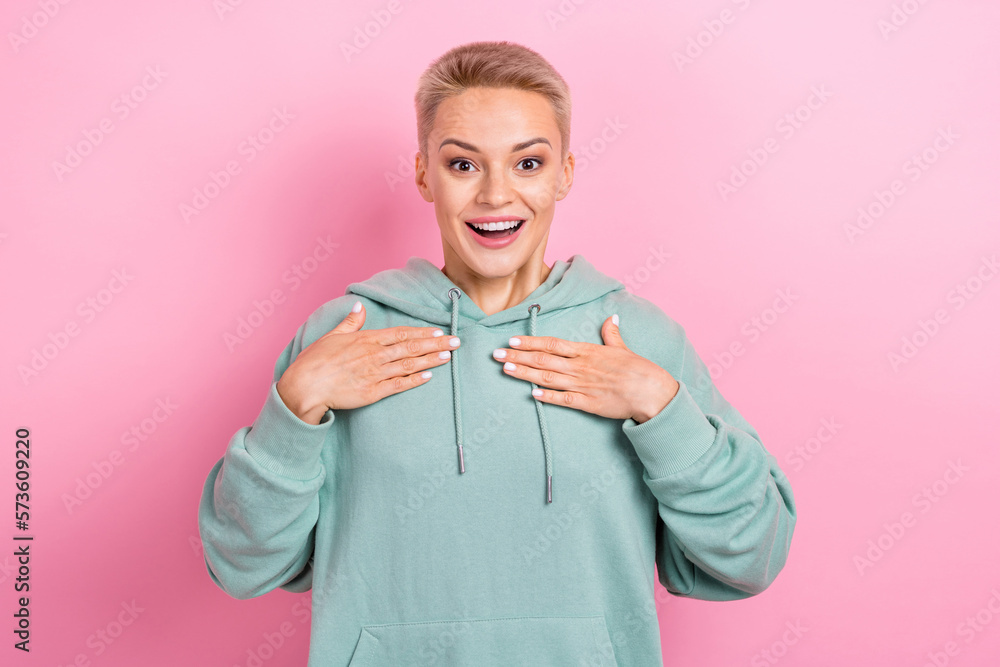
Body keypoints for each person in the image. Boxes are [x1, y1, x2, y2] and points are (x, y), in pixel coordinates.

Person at [198, 40, 797, 666]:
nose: (494, 195)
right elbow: (242, 565)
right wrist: (291, 410)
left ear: (565, 173)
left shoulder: (639, 339)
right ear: (424, 174)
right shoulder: (344, 335)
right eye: (463, 165)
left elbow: (751, 554)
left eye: (528, 164)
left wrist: (662, 409)